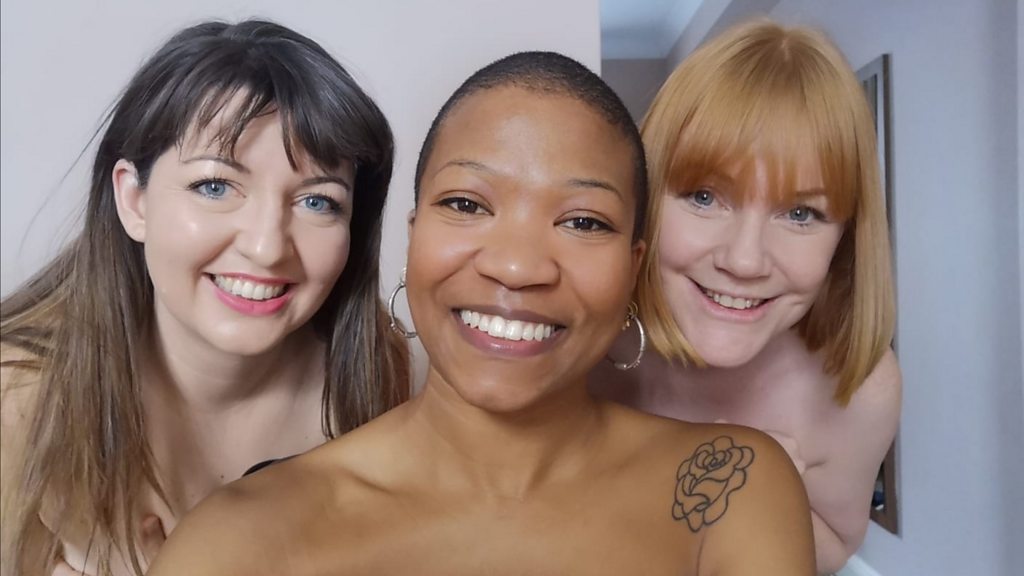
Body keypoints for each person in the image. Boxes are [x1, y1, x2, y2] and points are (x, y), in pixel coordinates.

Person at [147, 51, 814, 576]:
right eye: (466, 205)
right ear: (414, 237)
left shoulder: (730, 487)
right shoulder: (237, 539)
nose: (518, 267)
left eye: (583, 221)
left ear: (633, 267)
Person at [0, 19, 409, 576]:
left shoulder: (378, 373)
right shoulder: (17, 401)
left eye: (317, 202)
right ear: (134, 201)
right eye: (214, 187)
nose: (266, 247)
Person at [588, 20, 902, 574]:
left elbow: (836, 542)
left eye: (800, 213)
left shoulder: (862, 388)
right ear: (647, 199)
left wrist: (763, 495)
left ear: (846, 238)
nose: (745, 260)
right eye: (705, 197)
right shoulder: (583, 338)